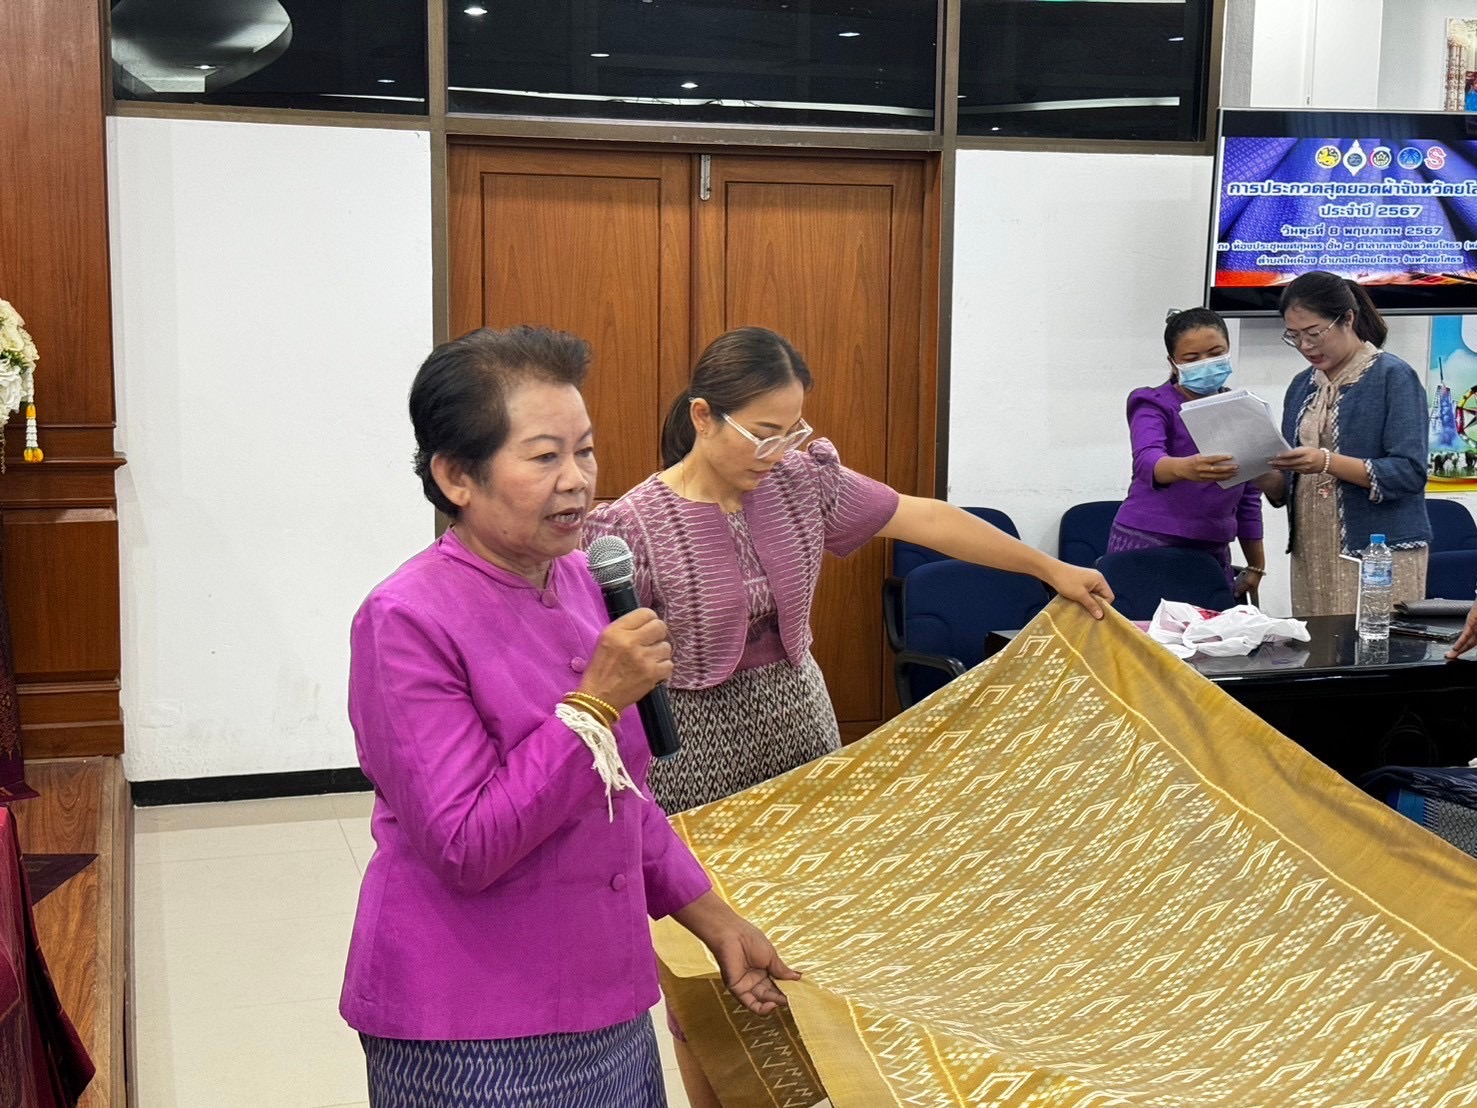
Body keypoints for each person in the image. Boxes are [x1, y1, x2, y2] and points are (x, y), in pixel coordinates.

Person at [585, 325, 1113, 1105]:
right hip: (691, 749)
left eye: (790, 430)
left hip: (800, 725)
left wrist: (1047, 567)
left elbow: (922, 517)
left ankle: (817, 1089)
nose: (777, 451)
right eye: (761, 433)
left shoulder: (803, 482)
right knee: (707, 957)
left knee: (812, 931)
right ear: (702, 417)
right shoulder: (634, 525)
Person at [340, 326, 799, 1108]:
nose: (578, 481)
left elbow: (622, 795)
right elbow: (465, 845)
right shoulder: (405, 618)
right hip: (473, 1021)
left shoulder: (586, 581)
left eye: (584, 451)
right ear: (456, 475)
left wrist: (715, 921)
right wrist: (592, 706)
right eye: (544, 457)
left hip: (606, 995)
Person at [1253, 271, 1431, 615]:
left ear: (1347, 319)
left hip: (1377, 554)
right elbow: (1287, 487)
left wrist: (1327, 462)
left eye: (1314, 333)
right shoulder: (1302, 386)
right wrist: (1254, 470)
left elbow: (1409, 472)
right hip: (1312, 550)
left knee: (1372, 644)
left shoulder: (1393, 376)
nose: (1305, 346)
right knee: (1317, 645)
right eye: (1294, 336)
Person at [1108, 307, 1265, 597]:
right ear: (1173, 363)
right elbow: (1147, 460)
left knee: (1212, 626)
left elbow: (1249, 495)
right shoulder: (1152, 402)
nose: (1205, 364)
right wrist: (1185, 469)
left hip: (1213, 547)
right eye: (1192, 359)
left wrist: (1256, 565)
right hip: (1150, 541)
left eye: (1215, 353)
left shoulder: (1241, 409)